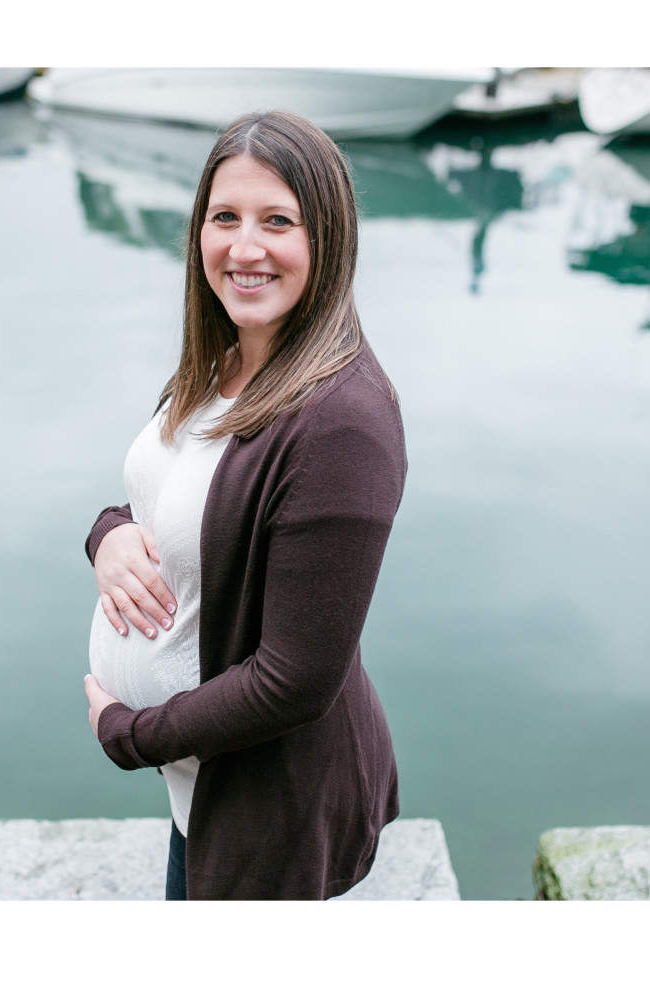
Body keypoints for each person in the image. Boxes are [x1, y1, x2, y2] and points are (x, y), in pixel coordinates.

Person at [81, 110, 406, 901]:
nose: (245, 247)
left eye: (278, 221)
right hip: (200, 790)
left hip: (274, 812)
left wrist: (129, 734)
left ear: (327, 239)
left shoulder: (343, 424)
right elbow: (163, 495)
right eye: (225, 217)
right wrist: (109, 536)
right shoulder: (227, 355)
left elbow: (295, 681)